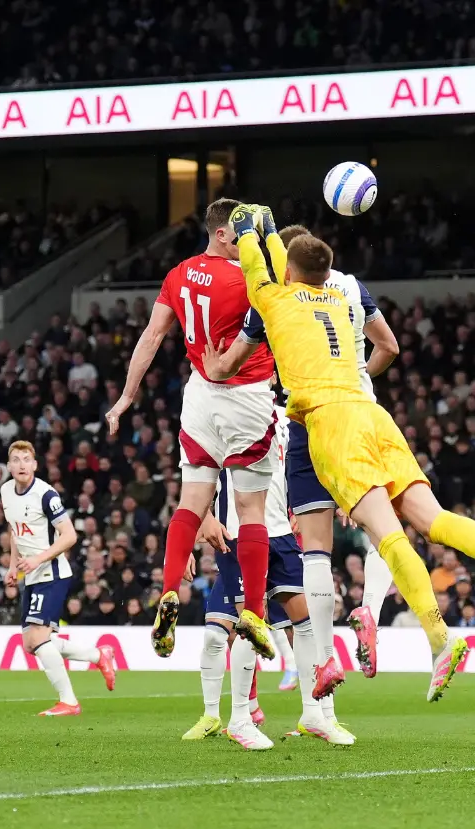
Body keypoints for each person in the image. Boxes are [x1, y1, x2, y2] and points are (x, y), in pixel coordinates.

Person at [207, 205, 475, 701]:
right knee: (433, 519)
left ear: (288, 268)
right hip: (372, 412)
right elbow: (303, 274)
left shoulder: (276, 303)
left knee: (387, 536)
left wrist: (247, 230)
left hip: (329, 422)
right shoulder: (333, 293)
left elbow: (258, 271)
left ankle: (440, 639)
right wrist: (269, 234)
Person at [206, 222, 397, 688]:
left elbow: (231, 363)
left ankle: (323, 659)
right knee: (386, 528)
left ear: (286, 263)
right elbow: (389, 346)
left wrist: (216, 370)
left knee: (316, 547)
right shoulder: (350, 288)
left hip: (308, 421)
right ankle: (370, 605)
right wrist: (359, 380)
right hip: (360, 413)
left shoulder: (274, 302)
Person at [104, 198, 276, 663]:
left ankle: (168, 591)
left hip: (198, 396)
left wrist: (125, 397)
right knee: (250, 508)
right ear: (223, 233)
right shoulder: (244, 280)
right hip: (246, 394)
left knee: (191, 501)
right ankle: (256, 613)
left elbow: (152, 336)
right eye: (244, 234)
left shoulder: (180, 273)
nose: (250, 244)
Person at [182, 404, 350, 750]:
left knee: (305, 622)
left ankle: (313, 714)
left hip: (281, 533)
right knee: (250, 621)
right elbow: (198, 475)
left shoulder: (286, 419)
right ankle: (240, 719)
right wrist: (205, 517)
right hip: (237, 533)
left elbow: (305, 464)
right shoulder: (220, 412)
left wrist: (326, 500)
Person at [1, 440, 116, 716]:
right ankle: (99, 656)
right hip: (30, 574)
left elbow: (70, 535)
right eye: (15, 460)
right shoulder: (6, 491)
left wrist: (37, 559)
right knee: (33, 643)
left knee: (39, 639)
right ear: (9, 466)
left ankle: (69, 701)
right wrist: (11, 565)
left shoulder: (46, 495)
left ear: (35, 465)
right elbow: (16, 529)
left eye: (26, 459)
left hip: (51, 572)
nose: (21, 465)